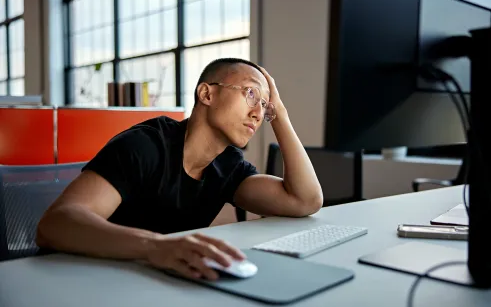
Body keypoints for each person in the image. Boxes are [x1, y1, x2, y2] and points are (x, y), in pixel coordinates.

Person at [36, 58, 323, 281]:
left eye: (264, 105)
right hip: (76, 277)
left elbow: (304, 200)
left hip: (144, 279)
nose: (258, 113)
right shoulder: (145, 146)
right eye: (250, 93)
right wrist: (156, 247)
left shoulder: (228, 167)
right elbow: (55, 224)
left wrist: (280, 115)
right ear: (206, 94)